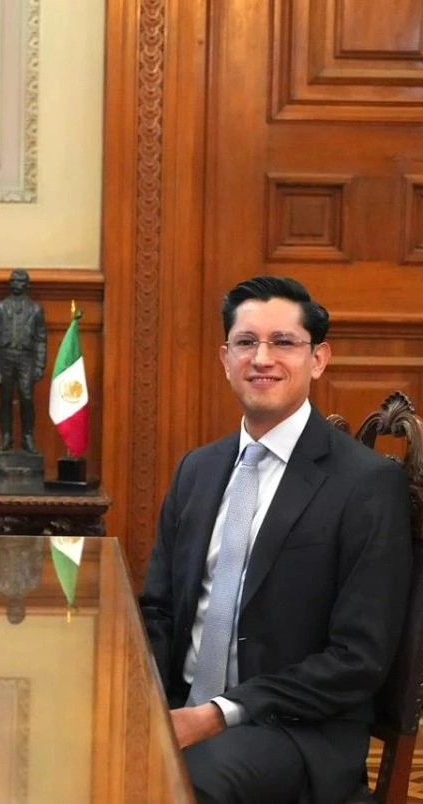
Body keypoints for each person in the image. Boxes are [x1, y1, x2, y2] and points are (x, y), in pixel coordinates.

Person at [139, 275, 412, 803]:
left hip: (296, 729)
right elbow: (159, 610)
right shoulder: (198, 469)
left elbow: (358, 657)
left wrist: (216, 714)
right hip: (180, 704)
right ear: (226, 359)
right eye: (246, 342)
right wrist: (138, 698)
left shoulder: (366, 484)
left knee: (177, 783)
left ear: (318, 358)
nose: (262, 358)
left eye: (283, 342)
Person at [0, 269, 47, 453]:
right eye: (13, 281)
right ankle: (6, 437)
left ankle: (28, 437)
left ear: (27, 285)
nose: (16, 284)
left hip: (26, 359)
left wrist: (40, 364)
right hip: (5, 357)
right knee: (5, 399)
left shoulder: (36, 310)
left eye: (20, 281)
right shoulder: (0, 307)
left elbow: (41, 339)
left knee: (27, 398)